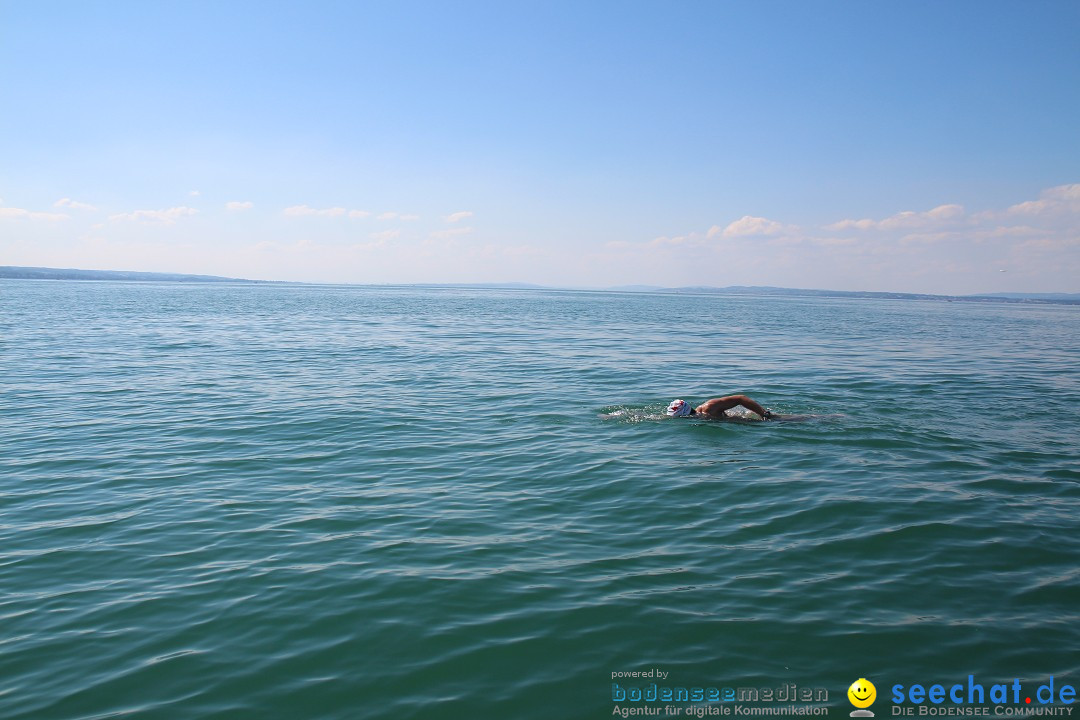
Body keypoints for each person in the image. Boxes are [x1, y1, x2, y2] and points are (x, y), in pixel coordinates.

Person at [666, 395, 774, 420]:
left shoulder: (709, 407)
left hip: (759, 421)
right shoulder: (700, 416)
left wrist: (763, 414)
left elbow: (740, 398)